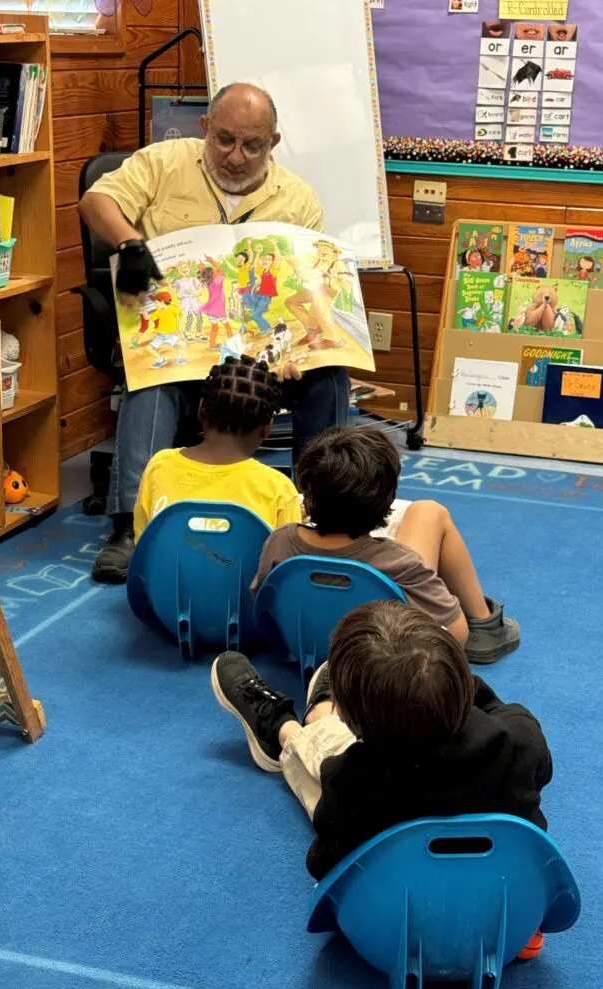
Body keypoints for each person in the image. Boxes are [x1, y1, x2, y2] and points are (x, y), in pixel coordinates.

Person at [78, 82, 350, 583]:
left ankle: (324, 515)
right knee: (151, 382)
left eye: (252, 145)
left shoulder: (297, 199)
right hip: (177, 341)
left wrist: (299, 350)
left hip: (259, 354)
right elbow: (96, 202)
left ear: (273, 143)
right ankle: (129, 527)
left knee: (329, 376)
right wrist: (131, 244)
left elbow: (307, 291)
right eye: (224, 139)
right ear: (205, 129)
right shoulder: (162, 162)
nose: (235, 157)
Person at [210, 602, 552, 956]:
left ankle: (287, 728)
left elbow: (325, 868)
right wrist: (456, 688)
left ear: (350, 720)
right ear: (462, 683)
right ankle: (318, 713)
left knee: (323, 760)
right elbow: (517, 720)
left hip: (392, 934)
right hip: (511, 923)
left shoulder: (348, 781)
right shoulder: (519, 744)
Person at [251, 426, 520, 664]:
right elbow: (457, 634)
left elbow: (263, 603)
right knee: (430, 511)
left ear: (306, 495)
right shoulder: (396, 560)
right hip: (384, 664)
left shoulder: (282, 540)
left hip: (304, 649)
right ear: (386, 504)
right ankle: (485, 624)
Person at [133, 356, 301, 540]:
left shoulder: (159, 467)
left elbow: (143, 545)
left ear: (201, 410)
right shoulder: (280, 491)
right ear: (267, 428)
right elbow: (282, 563)